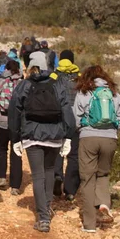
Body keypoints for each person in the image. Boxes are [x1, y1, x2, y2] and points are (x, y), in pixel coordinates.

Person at [8, 56, 76, 233]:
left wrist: (15, 138)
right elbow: (67, 109)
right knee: (49, 172)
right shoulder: (58, 83)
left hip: (32, 135)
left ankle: (43, 217)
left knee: (38, 176)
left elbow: (14, 111)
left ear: (30, 67)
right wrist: (68, 135)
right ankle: (46, 209)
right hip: (54, 135)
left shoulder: (25, 85)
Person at [73, 65, 120, 233]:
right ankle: (104, 204)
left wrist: (83, 127)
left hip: (88, 138)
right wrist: (113, 128)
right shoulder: (113, 93)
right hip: (110, 138)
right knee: (103, 174)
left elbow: (76, 117)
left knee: (88, 179)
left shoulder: (83, 92)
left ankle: (89, 225)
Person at [0, 59, 23, 195]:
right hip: (17, 123)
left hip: (2, 121)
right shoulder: (22, 83)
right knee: (17, 151)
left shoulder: (0, 81)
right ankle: (15, 185)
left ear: (6, 69)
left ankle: (2, 177)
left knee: (2, 149)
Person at [50, 50, 80, 201]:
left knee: (57, 150)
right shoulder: (79, 77)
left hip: (58, 118)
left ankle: (57, 176)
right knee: (73, 155)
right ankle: (70, 189)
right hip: (76, 120)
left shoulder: (54, 76)